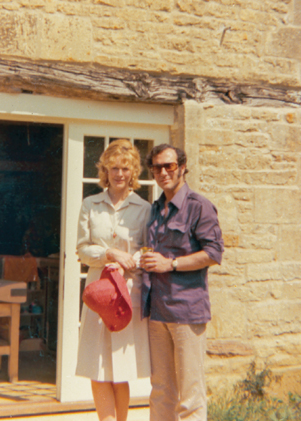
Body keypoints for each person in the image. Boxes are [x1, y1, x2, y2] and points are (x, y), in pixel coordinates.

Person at [140, 144, 224, 421]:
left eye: (170, 166)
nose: (163, 172)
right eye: (157, 167)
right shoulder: (155, 209)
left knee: (190, 393)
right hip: (158, 310)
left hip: (187, 311)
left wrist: (171, 263)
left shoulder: (199, 207)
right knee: (161, 389)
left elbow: (213, 253)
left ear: (183, 167)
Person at [76, 139, 151, 421]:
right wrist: (109, 253)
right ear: (104, 171)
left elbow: (148, 250)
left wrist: (131, 261)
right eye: (113, 168)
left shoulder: (143, 208)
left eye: (125, 168)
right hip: (99, 292)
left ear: (133, 172)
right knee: (98, 364)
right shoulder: (90, 204)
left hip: (127, 291)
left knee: (120, 366)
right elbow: (82, 249)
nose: (119, 174)